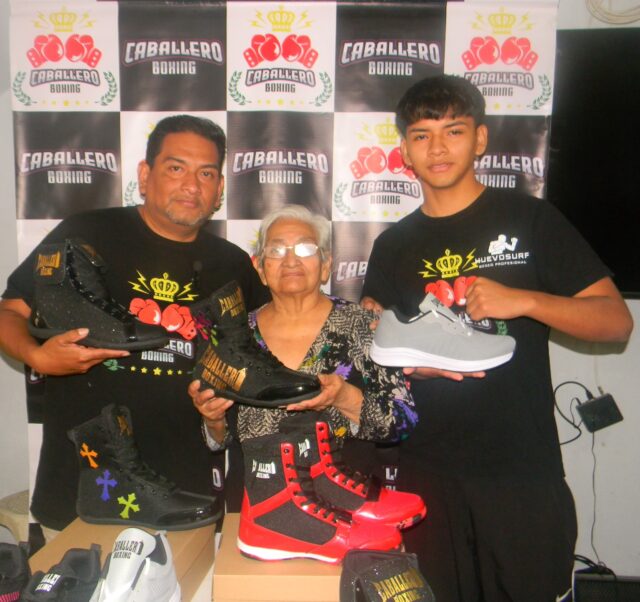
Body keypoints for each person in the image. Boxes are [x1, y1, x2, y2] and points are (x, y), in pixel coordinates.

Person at [360, 75, 633, 602]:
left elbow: (616, 321)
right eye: (421, 135)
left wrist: (526, 300)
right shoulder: (392, 245)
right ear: (405, 152)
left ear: (480, 139)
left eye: (454, 131)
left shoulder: (530, 219)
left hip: (520, 473)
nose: (438, 148)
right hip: (425, 473)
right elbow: (374, 349)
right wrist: (407, 366)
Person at [0, 115, 269, 533]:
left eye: (206, 173)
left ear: (219, 190)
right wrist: (38, 357)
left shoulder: (233, 265)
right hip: (84, 488)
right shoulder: (85, 233)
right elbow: (10, 311)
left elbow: (259, 358)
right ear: (145, 175)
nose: (192, 185)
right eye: (176, 168)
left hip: (185, 491)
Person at [189, 204, 418, 509]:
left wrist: (344, 397)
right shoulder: (235, 335)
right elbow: (219, 440)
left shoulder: (365, 325)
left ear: (326, 265)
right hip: (258, 506)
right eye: (276, 250)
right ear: (260, 268)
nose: (291, 260)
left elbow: (403, 421)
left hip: (345, 506)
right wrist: (213, 419)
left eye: (305, 248)